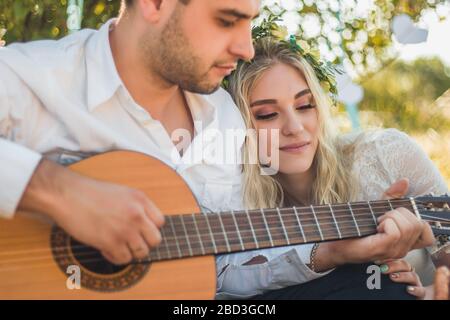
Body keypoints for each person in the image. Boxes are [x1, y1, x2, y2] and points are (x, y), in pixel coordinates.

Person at [0, 0, 259, 265]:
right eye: (226, 21)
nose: (247, 49)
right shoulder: (26, 77)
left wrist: (302, 260)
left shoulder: (224, 114)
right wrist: (62, 193)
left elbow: (226, 268)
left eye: (250, 22)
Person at [220, 36, 448, 299]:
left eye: (305, 106)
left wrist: (431, 293)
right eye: (267, 114)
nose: (295, 127)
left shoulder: (385, 153)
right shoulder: (235, 197)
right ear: (237, 127)